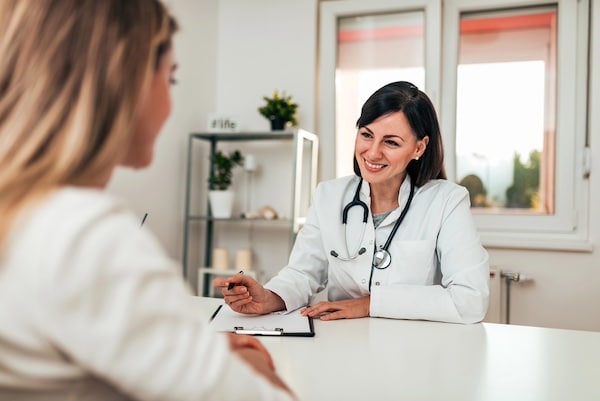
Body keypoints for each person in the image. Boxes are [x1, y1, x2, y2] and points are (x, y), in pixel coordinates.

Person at [0, 1, 294, 400]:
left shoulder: (25, 213)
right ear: (126, 78)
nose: (170, 103)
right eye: (170, 79)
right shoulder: (85, 236)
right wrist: (248, 357)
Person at [215, 81, 489, 324]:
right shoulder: (329, 196)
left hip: (413, 350)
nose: (372, 152)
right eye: (367, 134)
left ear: (419, 147)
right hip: (343, 343)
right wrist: (269, 296)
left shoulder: (446, 201)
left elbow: (470, 300)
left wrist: (369, 305)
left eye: (391, 142)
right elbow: (303, 273)